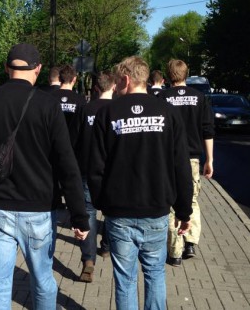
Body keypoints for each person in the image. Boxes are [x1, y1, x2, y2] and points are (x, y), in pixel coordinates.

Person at [0, 43, 90, 310]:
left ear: (6, 68)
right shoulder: (48, 105)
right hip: (39, 208)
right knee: (43, 280)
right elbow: (66, 164)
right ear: (38, 69)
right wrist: (79, 216)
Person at [88, 56, 192, 309]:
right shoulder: (168, 113)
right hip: (156, 209)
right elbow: (181, 166)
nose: (115, 87)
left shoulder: (107, 113)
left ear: (126, 79)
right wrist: (184, 210)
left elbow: (95, 168)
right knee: (155, 273)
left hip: (119, 211)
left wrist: (102, 203)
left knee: (125, 279)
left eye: (117, 81)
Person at [160, 59, 214, 266]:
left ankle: (174, 252)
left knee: (172, 204)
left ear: (168, 75)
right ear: (186, 74)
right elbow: (207, 131)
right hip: (192, 158)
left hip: (169, 157)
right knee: (191, 199)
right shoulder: (199, 98)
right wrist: (209, 159)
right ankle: (190, 242)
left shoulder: (163, 98)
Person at [72, 70, 115, 282]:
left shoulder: (85, 109)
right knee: (110, 211)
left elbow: (74, 140)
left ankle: (88, 260)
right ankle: (106, 246)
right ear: (113, 86)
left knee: (88, 211)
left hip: (86, 168)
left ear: (96, 88)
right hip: (111, 170)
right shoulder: (118, 110)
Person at [52, 64, 87, 136]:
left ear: (59, 78)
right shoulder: (81, 100)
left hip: (53, 139)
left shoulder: (50, 97)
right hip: (73, 140)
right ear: (74, 79)